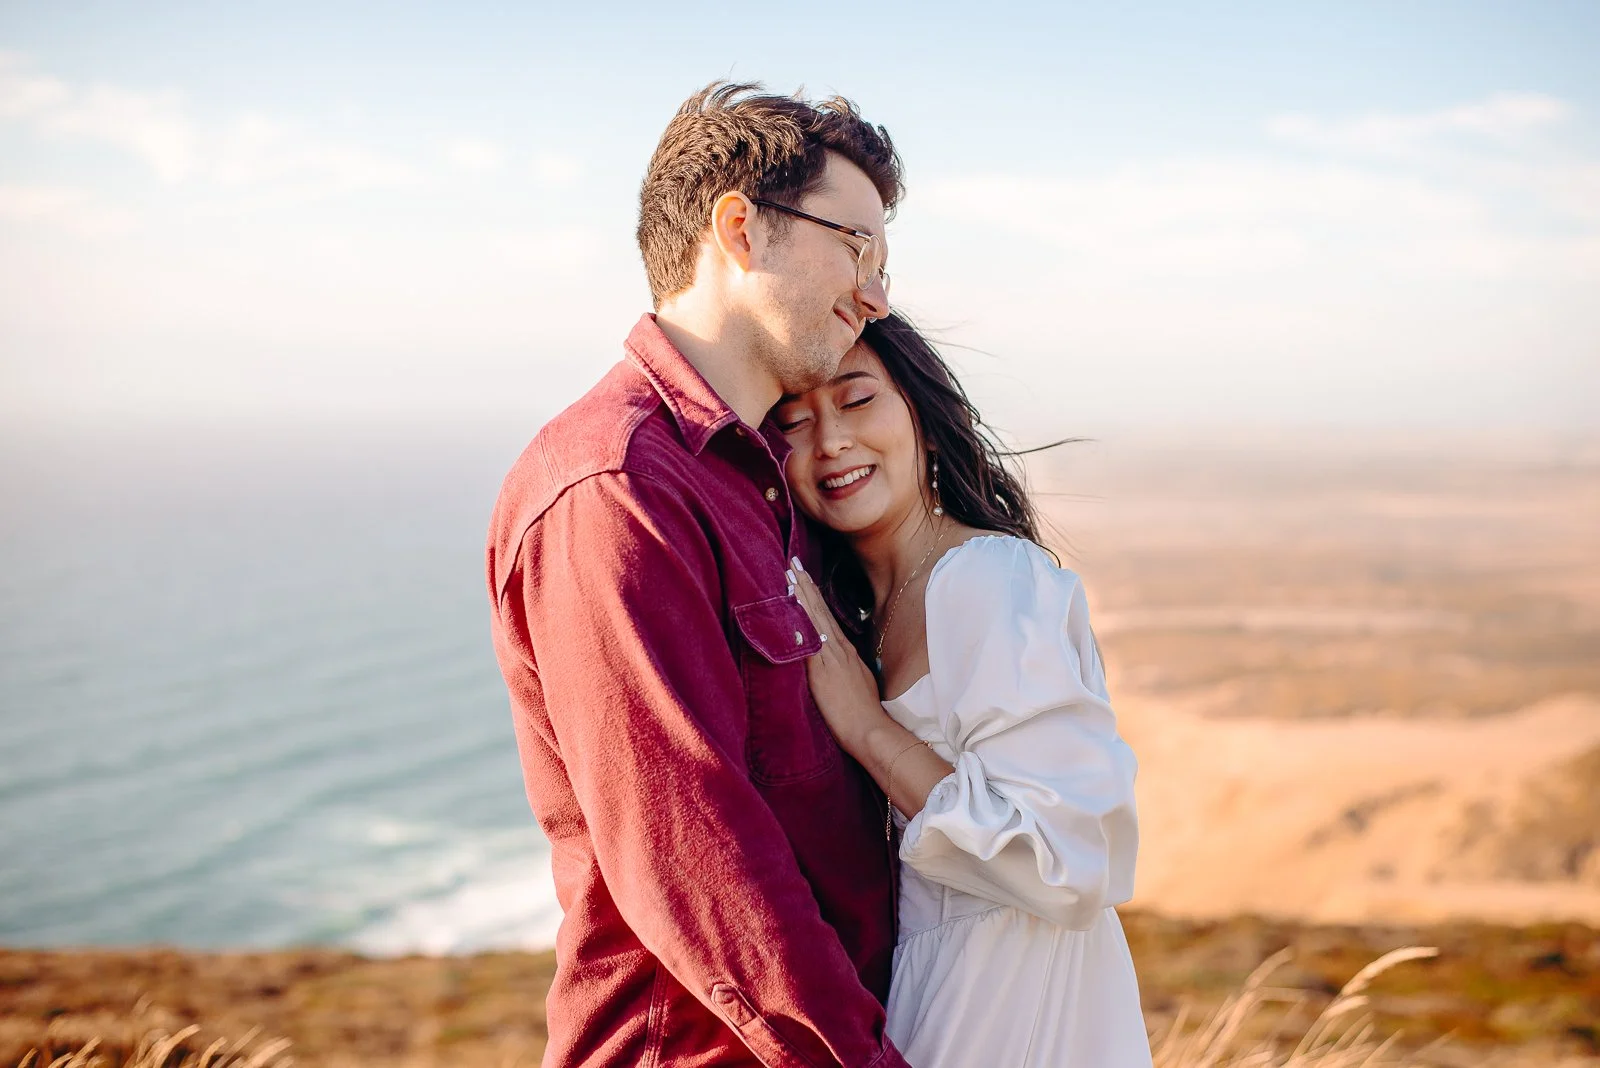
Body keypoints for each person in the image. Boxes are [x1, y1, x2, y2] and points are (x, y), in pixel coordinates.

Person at [485, 82, 917, 1066]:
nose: (875, 293)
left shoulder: (764, 481)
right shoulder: (614, 489)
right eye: (853, 244)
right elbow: (701, 862)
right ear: (740, 230)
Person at [776, 313, 1153, 1067]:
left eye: (856, 402)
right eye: (791, 424)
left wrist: (870, 731)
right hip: (926, 995)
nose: (830, 443)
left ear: (922, 415)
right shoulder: (861, 615)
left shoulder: (989, 582)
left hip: (1021, 999)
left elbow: (1065, 860)